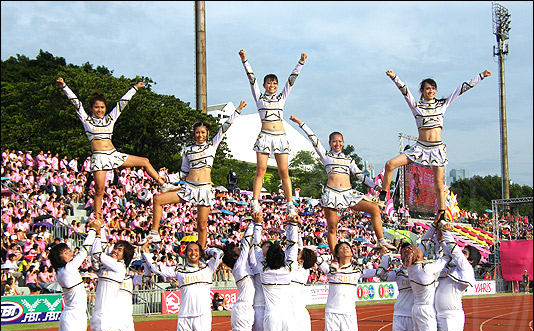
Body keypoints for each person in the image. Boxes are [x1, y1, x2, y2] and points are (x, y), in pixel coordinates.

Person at [380, 69, 492, 221]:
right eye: (427, 88)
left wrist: (481, 76)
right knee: (390, 164)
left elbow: (460, 90)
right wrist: (394, 77)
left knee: (439, 184)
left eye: (433, 88)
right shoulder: (417, 106)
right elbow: (404, 91)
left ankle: (442, 213)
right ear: (422, 90)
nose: (430, 91)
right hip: (420, 147)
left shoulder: (442, 104)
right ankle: (382, 196)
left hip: (436, 149)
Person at [56, 77, 172, 223]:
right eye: (96, 107)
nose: (100, 110)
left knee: (145, 161)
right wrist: (64, 86)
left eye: (102, 107)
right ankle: (98, 220)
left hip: (113, 154)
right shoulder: (86, 120)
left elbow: (122, 104)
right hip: (99, 158)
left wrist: (135, 88)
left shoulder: (110, 119)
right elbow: (75, 102)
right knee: (99, 191)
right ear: (92, 108)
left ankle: (163, 184)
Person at [137, 100, 247, 249]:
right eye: (197, 132)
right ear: (193, 134)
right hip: (189, 187)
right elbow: (183, 173)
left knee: (201, 225)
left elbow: (225, 127)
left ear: (207, 133)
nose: (200, 135)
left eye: (203, 132)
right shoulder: (188, 150)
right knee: (157, 200)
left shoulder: (212, 145)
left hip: (204, 189)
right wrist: (167, 178)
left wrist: (238, 110)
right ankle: (154, 233)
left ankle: (201, 253)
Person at [289, 115, 395, 254]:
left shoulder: (349, 160)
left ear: (343, 143)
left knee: (375, 209)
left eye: (339, 141)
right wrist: (300, 122)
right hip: (332, 194)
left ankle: (381, 240)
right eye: (334, 141)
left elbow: (360, 176)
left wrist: (375, 186)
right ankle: (334, 258)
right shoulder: (326, 156)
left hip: (348, 193)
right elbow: (313, 138)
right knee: (332, 228)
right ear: (330, 142)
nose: (337, 144)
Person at [239, 49, 307, 216]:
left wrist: (300, 63)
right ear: (264, 85)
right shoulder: (259, 98)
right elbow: (251, 79)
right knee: (260, 170)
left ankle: (290, 203)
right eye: (269, 83)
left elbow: (291, 82)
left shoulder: (281, 98)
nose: (272, 86)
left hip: (280, 138)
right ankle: (255, 202)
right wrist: (244, 60)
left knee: (284, 172)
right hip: (265, 136)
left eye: (274, 83)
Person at [400, 213, 451, 331]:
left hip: (417, 309)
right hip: (426, 311)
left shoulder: (414, 267)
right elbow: (445, 258)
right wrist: (444, 236)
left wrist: (433, 226)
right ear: (416, 256)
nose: (419, 248)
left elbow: (423, 243)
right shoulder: (426, 269)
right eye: (416, 249)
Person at [49, 219, 99, 331]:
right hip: (74, 317)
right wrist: (93, 230)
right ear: (60, 257)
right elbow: (84, 251)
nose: (70, 252)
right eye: (66, 251)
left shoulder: (62, 271)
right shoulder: (68, 269)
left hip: (69, 316)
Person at [252, 213, 301, 331]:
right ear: (282, 256)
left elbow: (257, 248)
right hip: (288, 316)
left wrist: (258, 224)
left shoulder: (263, 269)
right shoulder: (288, 269)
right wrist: (292, 225)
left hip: (271, 316)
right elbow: (293, 247)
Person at [433, 220, 481, 331]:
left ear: (470, 259)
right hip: (439, 314)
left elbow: (454, 251)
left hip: (452, 315)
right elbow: (446, 250)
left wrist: (447, 231)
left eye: (465, 252)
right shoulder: (450, 268)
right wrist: (439, 232)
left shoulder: (466, 268)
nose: (461, 253)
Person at [221, 215, 260, 331]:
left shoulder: (241, 267)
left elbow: (247, 246)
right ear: (235, 254)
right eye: (236, 248)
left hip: (243, 308)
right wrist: (254, 222)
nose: (239, 247)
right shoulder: (238, 265)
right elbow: (246, 244)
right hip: (244, 309)